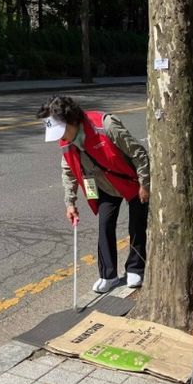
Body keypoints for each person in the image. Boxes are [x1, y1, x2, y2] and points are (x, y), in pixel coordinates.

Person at [37, 96, 150, 293]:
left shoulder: (105, 125)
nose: (60, 138)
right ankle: (108, 275)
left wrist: (145, 183)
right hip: (104, 184)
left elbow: (138, 153)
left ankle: (135, 268)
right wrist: (70, 203)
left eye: (61, 131)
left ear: (72, 120)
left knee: (137, 225)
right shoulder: (66, 142)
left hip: (131, 180)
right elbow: (68, 171)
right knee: (105, 225)